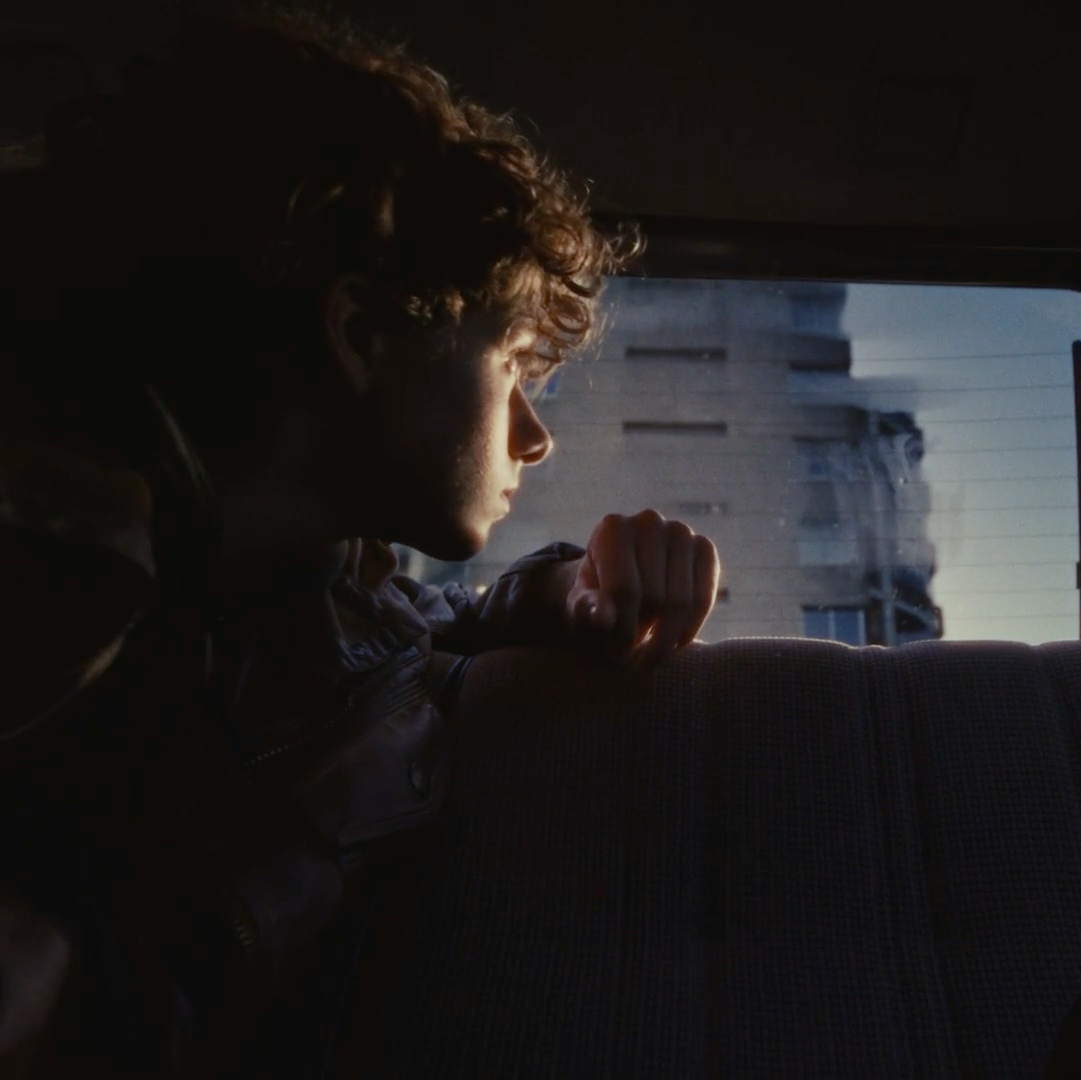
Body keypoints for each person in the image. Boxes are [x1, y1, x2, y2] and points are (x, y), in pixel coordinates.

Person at [0, 9, 718, 1076]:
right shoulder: (64, 578)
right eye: (513, 363)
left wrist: (560, 597)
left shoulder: (305, 580)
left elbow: (420, 623)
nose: (536, 432)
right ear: (360, 335)